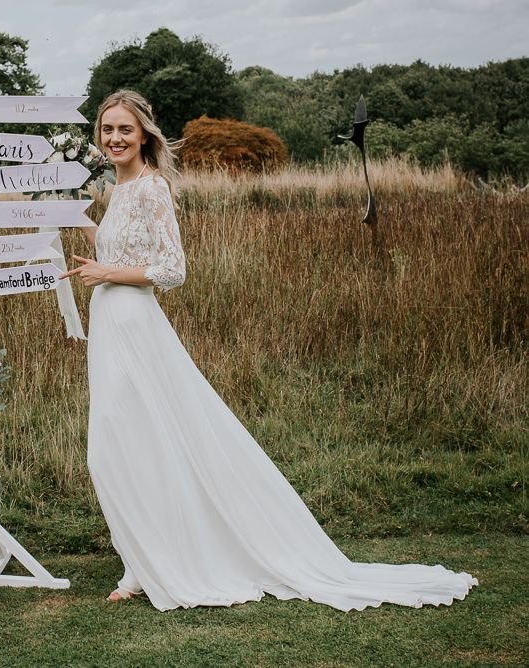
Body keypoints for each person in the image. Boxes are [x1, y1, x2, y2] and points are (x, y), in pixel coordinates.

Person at [61, 90, 477, 611]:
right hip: (109, 325)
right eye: (107, 130)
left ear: (144, 133)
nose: (115, 138)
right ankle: (144, 558)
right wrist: (70, 215)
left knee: (127, 443)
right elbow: (114, 250)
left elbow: (172, 270)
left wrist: (105, 274)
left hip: (135, 326)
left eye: (124, 129)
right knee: (124, 445)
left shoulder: (152, 188)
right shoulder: (118, 190)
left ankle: (153, 563)